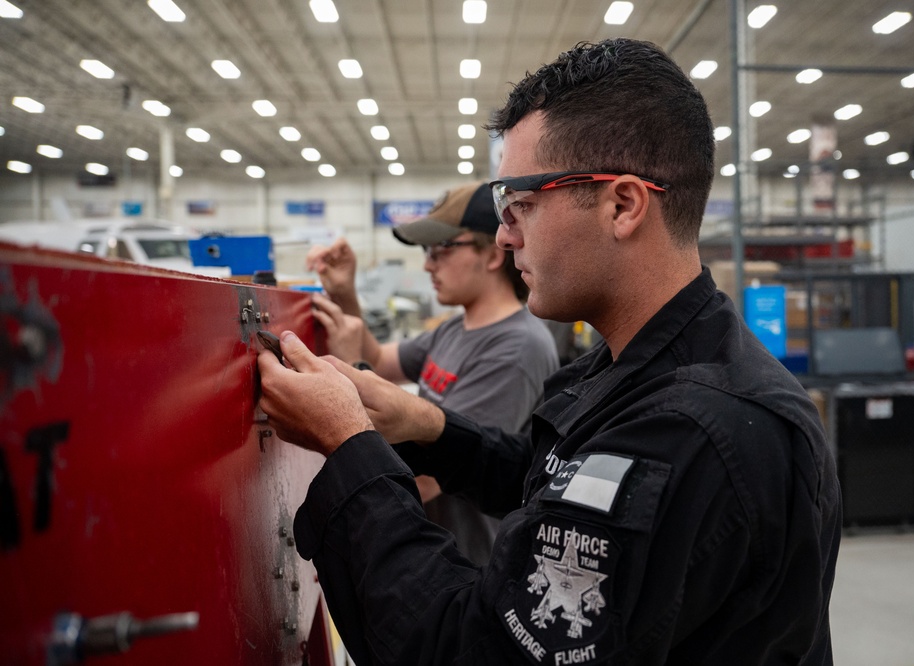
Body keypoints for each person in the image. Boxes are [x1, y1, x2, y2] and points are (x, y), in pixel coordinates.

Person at [259, 38, 841, 665]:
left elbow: (468, 650)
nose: (505, 237)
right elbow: (550, 482)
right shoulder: (627, 368)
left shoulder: (692, 430)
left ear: (623, 205)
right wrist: (425, 426)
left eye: (523, 205)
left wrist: (349, 450)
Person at [304, 181, 559, 566]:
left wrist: (348, 372)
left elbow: (425, 481)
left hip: (465, 562)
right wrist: (345, 294)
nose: (427, 265)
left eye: (441, 250)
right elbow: (379, 359)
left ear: (491, 255)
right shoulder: (455, 328)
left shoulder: (516, 348)